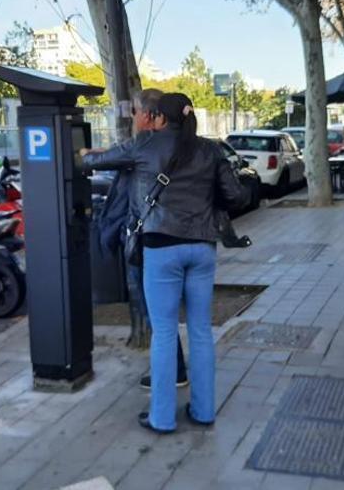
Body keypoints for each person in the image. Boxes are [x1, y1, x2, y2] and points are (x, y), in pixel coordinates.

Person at [83, 93, 248, 434]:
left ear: (158, 117)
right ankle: (203, 412)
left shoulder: (146, 145)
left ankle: (162, 417)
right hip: (202, 249)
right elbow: (235, 196)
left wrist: (82, 153)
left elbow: (97, 162)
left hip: (161, 249)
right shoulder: (210, 149)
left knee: (164, 333)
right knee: (201, 332)